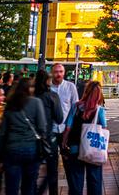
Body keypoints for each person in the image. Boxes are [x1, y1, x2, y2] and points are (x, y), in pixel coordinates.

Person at [0, 77, 47, 195]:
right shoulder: (36, 102)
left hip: (12, 149)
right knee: (29, 186)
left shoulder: (10, 104)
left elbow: (3, 132)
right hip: (31, 149)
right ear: (29, 89)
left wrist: (1, 155)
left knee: (11, 187)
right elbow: (42, 127)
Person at [62, 81, 107, 195]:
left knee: (76, 181)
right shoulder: (99, 110)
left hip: (74, 148)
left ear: (86, 92)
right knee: (94, 180)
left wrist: (64, 142)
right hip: (93, 150)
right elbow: (103, 130)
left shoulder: (76, 107)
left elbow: (68, 127)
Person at [50, 63, 79, 194]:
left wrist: (70, 127)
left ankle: (73, 191)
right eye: (56, 71)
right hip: (51, 130)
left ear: (64, 73)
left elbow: (75, 108)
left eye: (61, 71)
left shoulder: (70, 87)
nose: (59, 74)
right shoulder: (48, 88)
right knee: (52, 165)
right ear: (52, 73)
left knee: (69, 164)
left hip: (66, 130)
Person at [34, 70, 64, 195]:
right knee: (52, 170)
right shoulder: (52, 96)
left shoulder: (31, 96)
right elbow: (59, 118)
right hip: (48, 137)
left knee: (32, 172)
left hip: (32, 138)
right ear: (47, 81)